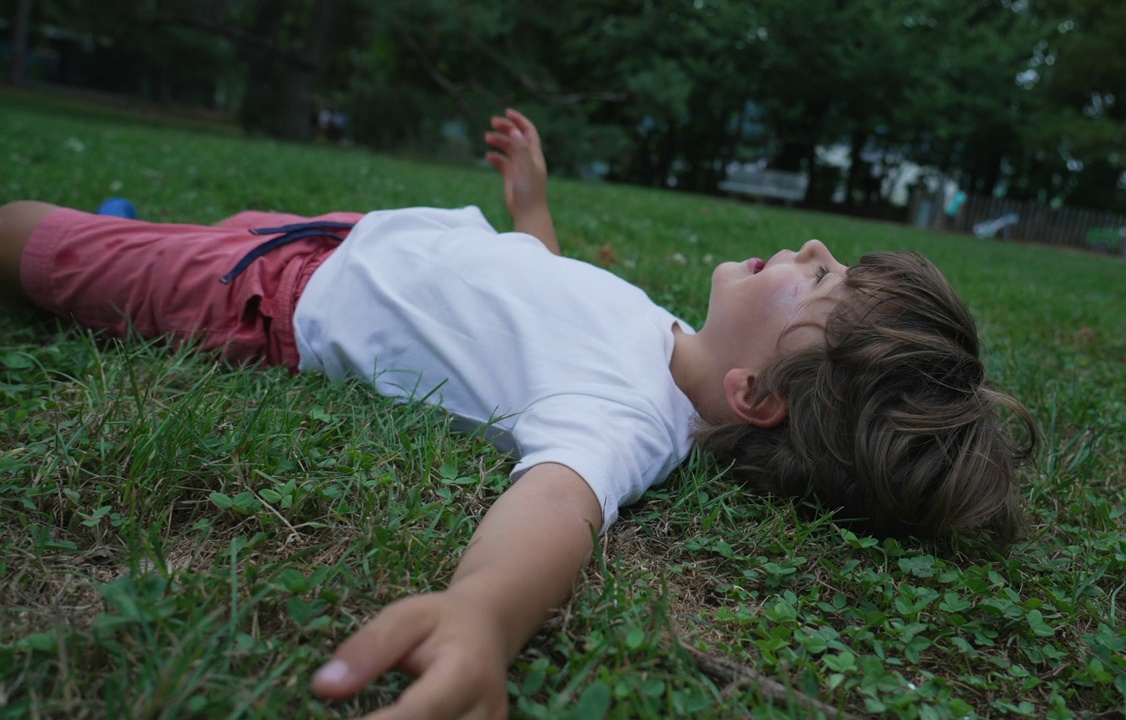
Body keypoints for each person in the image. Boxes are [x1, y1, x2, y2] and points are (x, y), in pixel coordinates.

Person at [0, 109, 1036, 719]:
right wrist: (530, 207)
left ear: (753, 397)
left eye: (818, 288)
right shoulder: (669, 344)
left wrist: (483, 614)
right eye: (831, 263)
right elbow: (544, 294)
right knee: (155, 238)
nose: (813, 253)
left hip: (269, 294)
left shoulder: (626, 421)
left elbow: (557, 508)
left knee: (39, 243)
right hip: (350, 239)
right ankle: (128, 231)